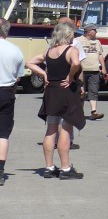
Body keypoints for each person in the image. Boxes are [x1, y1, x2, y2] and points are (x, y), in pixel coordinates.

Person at [27, 22, 85, 179]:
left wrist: (44, 74)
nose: (74, 36)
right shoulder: (71, 50)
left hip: (51, 92)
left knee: (51, 129)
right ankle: (65, 169)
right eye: (73, 33)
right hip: (66, 91)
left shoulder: (49, 51)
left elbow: (30, 62)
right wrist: (71, 76)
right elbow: (77, 63)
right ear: (67, 34)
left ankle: (49, 167)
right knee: (65, 129)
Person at [0, 19, 25, 186]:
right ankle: (0, 170)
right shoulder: (16, 50)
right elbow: (18, 76)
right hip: (6, 92)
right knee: (3, 134)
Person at [78, 25, 105, 120]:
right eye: (95, 31)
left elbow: (100, 55)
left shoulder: (97, 42)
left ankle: (94, 112)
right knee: (80, 93)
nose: (96, 32)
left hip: (94, 70)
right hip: (81, 71)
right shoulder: (78, 41)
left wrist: (103, 68)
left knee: (93, 91)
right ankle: (79, 113)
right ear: (89, 32)